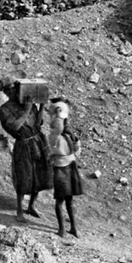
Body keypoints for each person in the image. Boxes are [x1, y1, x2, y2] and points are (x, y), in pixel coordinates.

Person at [0, 75, 53, 222]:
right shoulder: (5, 109)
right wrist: (27, 110)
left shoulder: (27, 103)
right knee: (24, 176)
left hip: (38, 140)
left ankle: (32, 205)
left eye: (14, 89)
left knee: (39, 175)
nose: (12, 92)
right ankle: (19, 210)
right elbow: (14, 127)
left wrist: (41, 106)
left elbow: (38, 123)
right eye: (8, 90)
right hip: (23, 144)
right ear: (5, 92)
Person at [48, 98, 83, 237]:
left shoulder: (61, 136)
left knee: (65, 200)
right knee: (63, 200)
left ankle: (68, 228)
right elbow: (74, 150)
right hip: (64, 167)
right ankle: (65, 228)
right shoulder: (57, 136)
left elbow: (75, 150)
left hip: (65, 167)